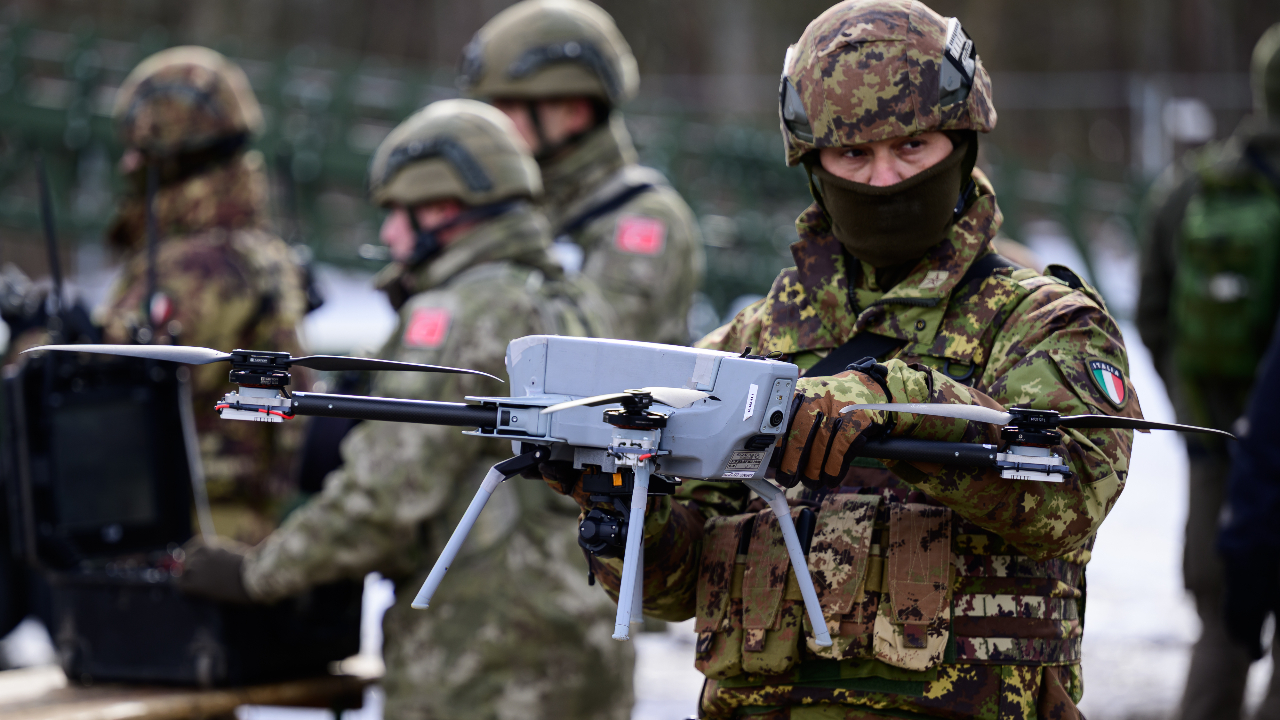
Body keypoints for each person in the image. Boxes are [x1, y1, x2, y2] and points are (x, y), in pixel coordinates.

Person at [539, 1, 1141, 717]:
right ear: (814, 166)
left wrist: (894, 403)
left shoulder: (1042, 323)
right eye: (853, 155)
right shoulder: (750, 344)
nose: (884, 179)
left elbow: (1073, 494)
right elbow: (671, 589)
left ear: (962, 143)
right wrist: (619, 500)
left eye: (912, 146)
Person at [179, 99, 632, 720]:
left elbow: (383, 496)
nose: (390, 234)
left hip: (480, 665)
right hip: (586, 648)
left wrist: (255, 574)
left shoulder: (458, 313)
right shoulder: (579, 306)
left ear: (444, 208)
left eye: (398, 212)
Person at [97, 47, 311, 545]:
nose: (129, 164)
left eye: (140, 150)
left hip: (186, 529)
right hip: (242, 524)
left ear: (171, 155)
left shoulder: (193, 266)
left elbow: (113, 379)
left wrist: (38, 342)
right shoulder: (255, 250)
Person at [1137, 23, 1280, 720]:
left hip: (1219, 454)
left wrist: (1200, 417)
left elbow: (1152, 315)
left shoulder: (1191, 190)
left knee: (1220, 632)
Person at [460, 0, 705, 345]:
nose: (495, 121)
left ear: (575, 112)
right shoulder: (522, 205)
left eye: (511, 104)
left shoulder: (643, 220)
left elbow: (591, 354)